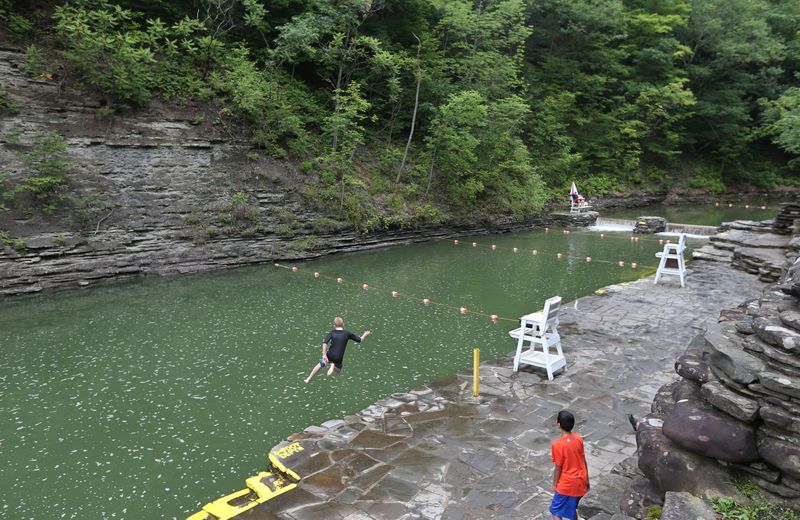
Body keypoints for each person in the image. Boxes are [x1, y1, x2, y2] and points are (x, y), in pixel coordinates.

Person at [304, 317, 370, 384]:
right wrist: (365, 335)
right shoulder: (347, 333)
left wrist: (324, 354)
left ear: (334, 325)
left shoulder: (332, 333)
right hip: (338, 357)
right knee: (338, 371)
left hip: (330, 355)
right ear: (343, 324)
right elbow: (360, 340)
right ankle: (333, 366)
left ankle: (309, 378)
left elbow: (325, 342)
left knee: (321, 364)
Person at [550, 410, 589, 520]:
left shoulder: (557, 445)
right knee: (572, 509)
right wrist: (587, 481)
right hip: (580, 480)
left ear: (558, 424)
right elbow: (583, 460)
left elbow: (558, 467)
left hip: (567, 484)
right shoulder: (578, 438)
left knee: (555, 511)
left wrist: (554, 484)